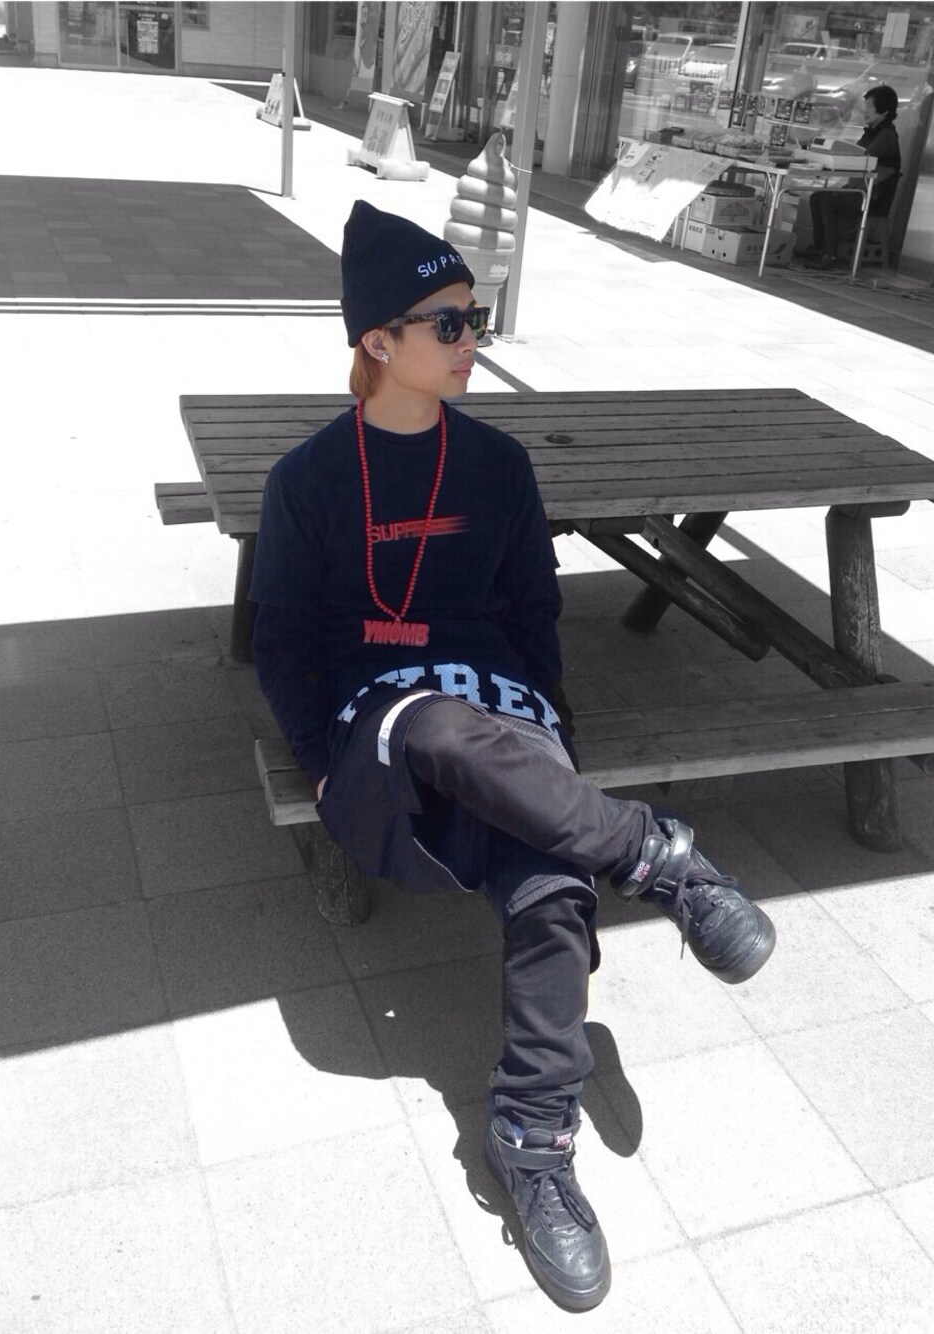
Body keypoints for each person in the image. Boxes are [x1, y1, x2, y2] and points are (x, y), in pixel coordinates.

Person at [250, 200, 777, 1313]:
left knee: (552, 885)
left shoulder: (497, 464)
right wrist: (315, 756)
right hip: (382, 728)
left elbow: (533, 615)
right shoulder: (307, 479)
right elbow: (285, 643)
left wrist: (548, 744)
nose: (470, 340)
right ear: (377, 339)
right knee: (437, 725)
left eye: (475, 317)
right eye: (447, 322)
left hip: (500, 717)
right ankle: (657, 852)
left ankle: (533, 1143)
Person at [796, 84, 901, 270]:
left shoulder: (886, 135)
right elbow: (852, 155)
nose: (866, 111)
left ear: (884, 109)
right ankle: (819, 247)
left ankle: (830, 254)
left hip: (873, 197)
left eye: (870, 106)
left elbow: (860, 157)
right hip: (859, 190)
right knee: (817, 197)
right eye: (866, 106)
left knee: (827, 201)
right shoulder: (872, 131)